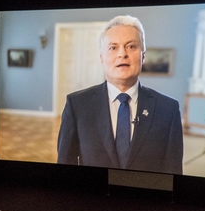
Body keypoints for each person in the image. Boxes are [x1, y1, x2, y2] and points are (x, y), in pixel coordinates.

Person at [57, 15, 183, 174]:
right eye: (113, 47)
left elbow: (173, 174)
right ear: (102, 58)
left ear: (143, 56)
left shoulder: (168, 109)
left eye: (131, 46)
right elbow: (64, 168)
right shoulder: (77, 105)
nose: (122, 54)